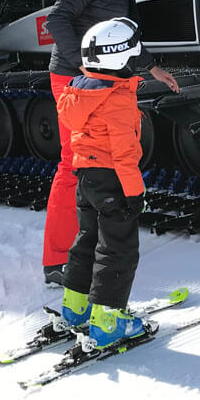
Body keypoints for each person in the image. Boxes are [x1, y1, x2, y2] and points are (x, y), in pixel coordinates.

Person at [42, 0, 179, 286]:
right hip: (74, 82)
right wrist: (86, 67)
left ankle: (89, 252)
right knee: (74, 164)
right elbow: (56, 20)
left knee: (101, 161)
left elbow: (128, 36)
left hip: (103, 82)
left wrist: (152, 67)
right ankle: (57, 261)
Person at [54, 17, 149, 348]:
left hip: (86, 178)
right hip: (113, 180)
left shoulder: (81, 90)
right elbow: (124, 155)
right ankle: (109, 322)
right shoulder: (118, 100)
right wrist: (135, 194)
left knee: (87, 240)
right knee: (118, 249)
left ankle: (76, 308)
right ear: (120, 59)